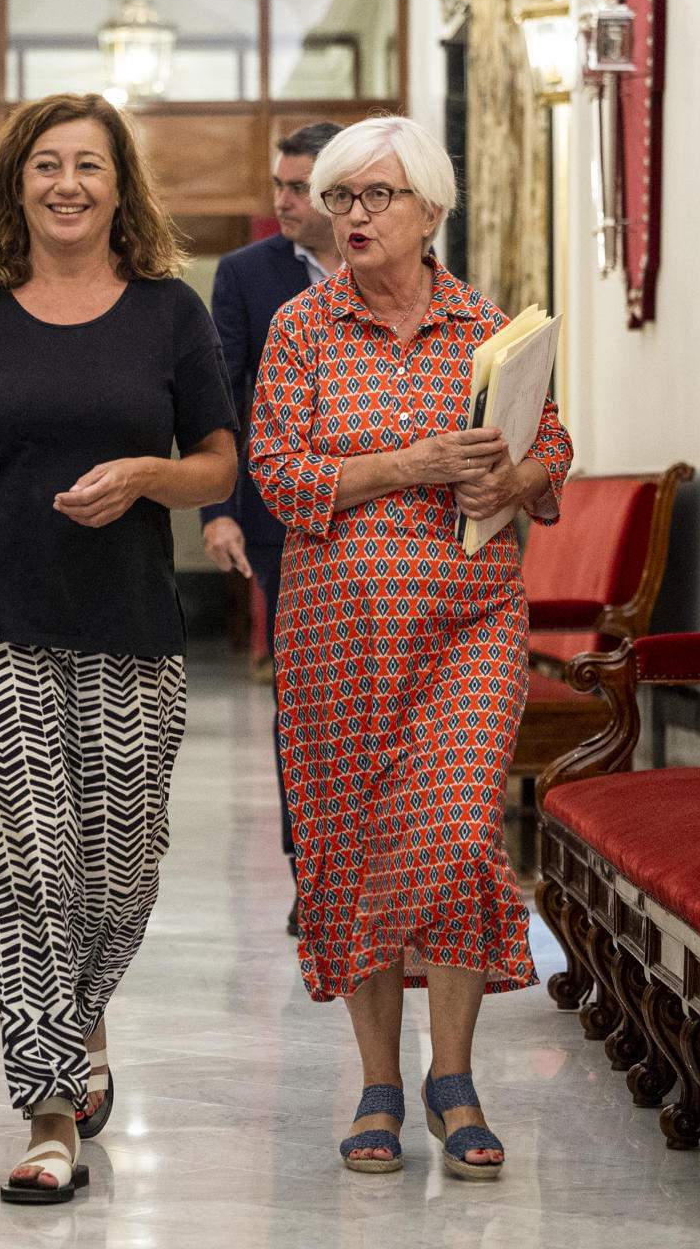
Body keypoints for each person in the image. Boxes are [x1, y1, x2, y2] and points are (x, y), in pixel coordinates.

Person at [0, 92, 237, 1204]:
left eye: (89, 164)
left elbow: (220, 464)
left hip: (131, 630)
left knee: (118, 872)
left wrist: (146, 477)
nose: (67, 182)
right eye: (46, 164)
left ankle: (82, 1021)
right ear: (16, 183)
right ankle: (49, 1106)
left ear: (121, 186)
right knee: (22, 867)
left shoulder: (169, 314)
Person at [248, 115, 572, 1181]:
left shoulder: (493, 329)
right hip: (336, 638)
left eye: (376, 197)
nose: (352, 216)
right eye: (339, 198)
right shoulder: (300, 329)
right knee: (354, 846)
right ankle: (383, 1082)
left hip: (471, 624)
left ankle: (458, 1071)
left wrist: (511, 479)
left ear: (431, 210)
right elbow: (280, 476)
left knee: (456, 830)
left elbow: (552, 444)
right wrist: (413, 461)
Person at [198, 121, 343, 935]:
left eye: (298, 188)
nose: (282, 201)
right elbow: (221, 399)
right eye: (279, 186)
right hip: (281, 519)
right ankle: (312, 873)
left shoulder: (390, 260)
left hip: (389, 519)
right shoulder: (247, 276)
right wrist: (219, 511)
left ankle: (387, 867)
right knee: (307, 699)